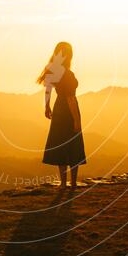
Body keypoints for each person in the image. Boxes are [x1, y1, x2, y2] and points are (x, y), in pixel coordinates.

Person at [36, 41, 86, 190]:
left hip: (58, 109)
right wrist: (76, 120)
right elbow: (70, 98)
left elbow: (48, 90)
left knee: (60, 144)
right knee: (73, 144)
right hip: (69, 110)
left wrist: (47, 106)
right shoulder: (68, 74)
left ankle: (63, 183)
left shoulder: (53, 70)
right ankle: (73, 182)